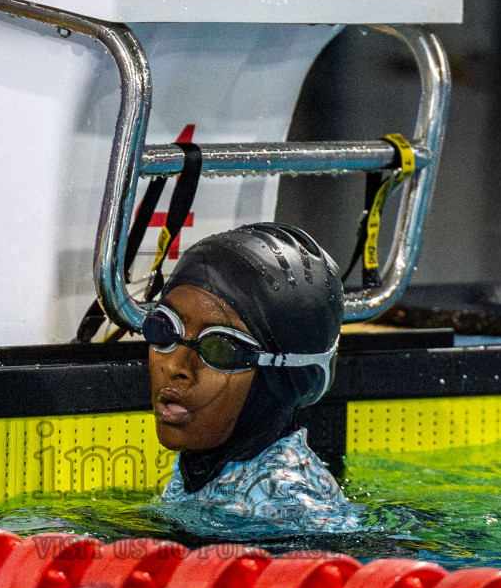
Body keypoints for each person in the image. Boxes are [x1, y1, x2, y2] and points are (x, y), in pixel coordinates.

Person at [145, 222, 360, 532]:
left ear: (285, 375)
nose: (176, 366)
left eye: (220, 348)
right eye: (164, 329)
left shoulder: (285, 507)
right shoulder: (211, 468)